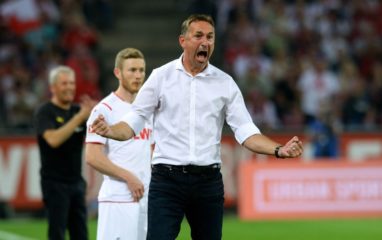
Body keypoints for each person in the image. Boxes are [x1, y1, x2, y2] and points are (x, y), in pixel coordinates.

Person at [90, 14, 303, 240]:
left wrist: (278, 150)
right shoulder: (160, 78)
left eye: (210, 37)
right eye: (198, 35)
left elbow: (246, 131)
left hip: (207, 181)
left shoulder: (225, 83)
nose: (205, 42)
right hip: (167, 180)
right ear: (183, 41)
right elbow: (134, 122)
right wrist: (111, 131)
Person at [85, 48, 153, 240]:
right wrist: (128, 177)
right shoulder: (104, 110)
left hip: (145, 198)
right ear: (118, 73)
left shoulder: (145, 110)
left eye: (141, 70)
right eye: (132, 70)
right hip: (118, 198)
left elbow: (150, 150)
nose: (138, 75)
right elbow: (92, 156)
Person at [34, 65, 96, 240]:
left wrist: (98, 113)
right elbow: (53, 140)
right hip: (54, 183)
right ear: (53, 87)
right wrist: (79, 118)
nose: (69, 87)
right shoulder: (45, 112)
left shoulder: (78, 111)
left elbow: (99, 133)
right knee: (57, 233)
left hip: (76, 182)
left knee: (81, 234)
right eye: (64, 83)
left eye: (72, 83)